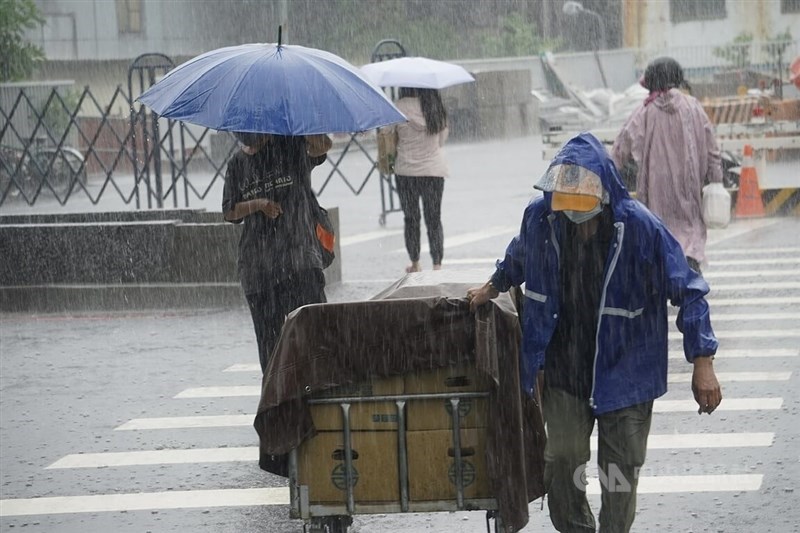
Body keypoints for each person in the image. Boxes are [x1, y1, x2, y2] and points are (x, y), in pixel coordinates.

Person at [467, 133, 722, 533]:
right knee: (562, 463)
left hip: (627, 368)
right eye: (564, 202)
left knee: (617, 474)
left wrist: (702, 363)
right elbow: (519, 254)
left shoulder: (639, 228)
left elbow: (689, 291)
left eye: (580, 203)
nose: (572, 212)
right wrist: (492, 286)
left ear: (605, 194)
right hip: (566, 366)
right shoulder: (542, 218)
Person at [222, 132, 332, 374]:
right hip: (259, 269)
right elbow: (230, 211)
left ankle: (314, 401)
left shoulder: (290, 146)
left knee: (313, 338)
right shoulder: (237, 163)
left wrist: (303, 123)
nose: (249, 144)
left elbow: (323, 146)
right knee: (270, 351)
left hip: (299, 261)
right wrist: (258, 204)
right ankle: (277, 406)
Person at [611, 56, 723, 272]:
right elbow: (712, 147)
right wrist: (716, 177)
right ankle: (689, 271)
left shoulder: (644, 111)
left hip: (656, 187)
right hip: (688, 186)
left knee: (659, 230)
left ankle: (663, 274)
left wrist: (608, 178)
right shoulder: (693, 107)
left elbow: (620, 149)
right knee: (689, 230)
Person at [386, 87, 449, 273]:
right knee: (434, 218)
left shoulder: (398, 107)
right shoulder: (435, 106)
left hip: (406, 171)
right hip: (433, 170)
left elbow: (387, 136)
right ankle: (437, 265)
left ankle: (415, 263)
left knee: (411, 218)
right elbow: (441, 141)